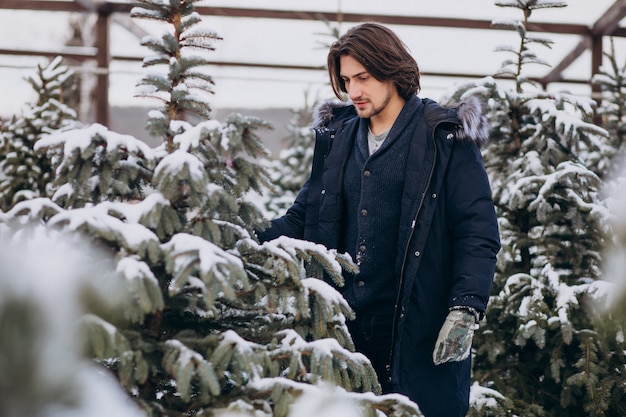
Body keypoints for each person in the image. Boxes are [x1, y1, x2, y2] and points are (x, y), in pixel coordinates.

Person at [257, 22, 500, 417]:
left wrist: (465, 308)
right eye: (346, 80)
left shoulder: (444, 138)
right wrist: (236, 232)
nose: (353, 91)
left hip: (417, 334)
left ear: (393, 70)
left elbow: (477, 230)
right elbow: (301, 220)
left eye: (363, 78)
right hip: (346, 338)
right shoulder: (338, 139)